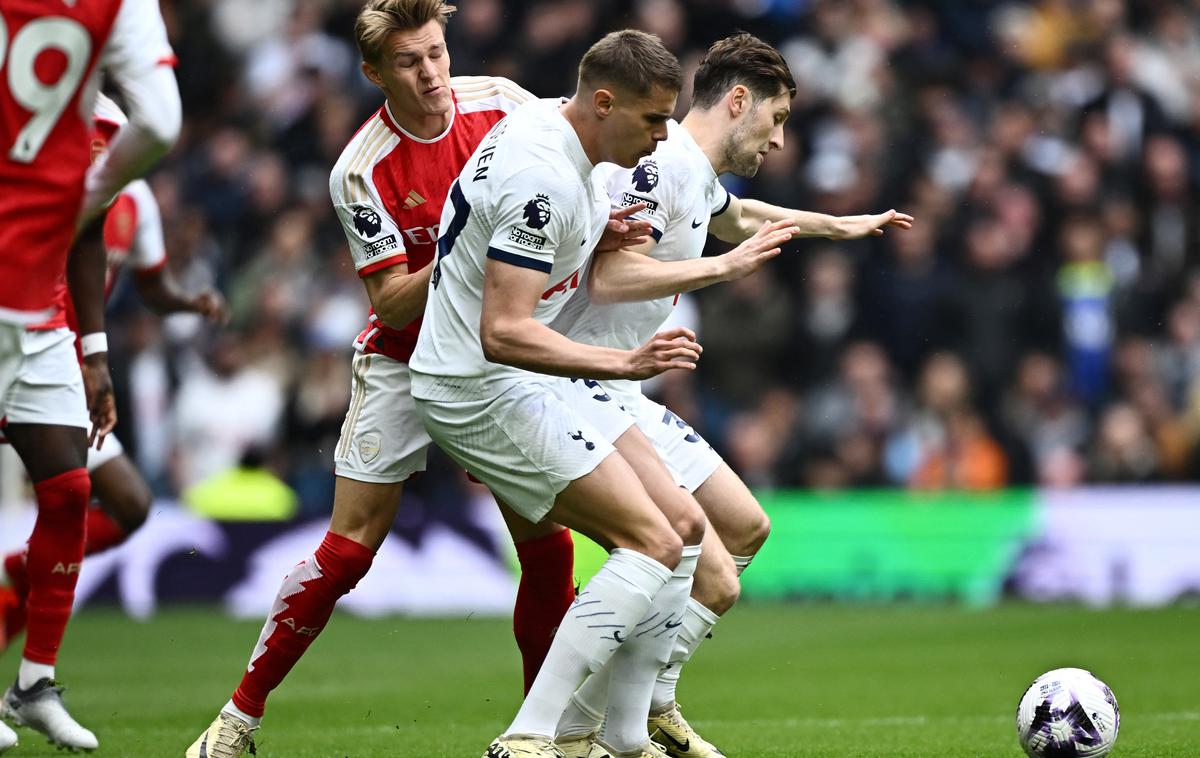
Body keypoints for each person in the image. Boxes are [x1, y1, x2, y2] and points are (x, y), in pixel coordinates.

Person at [185, 3, 627, 755]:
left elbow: (572, 182)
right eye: (409, 62)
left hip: (495, 354)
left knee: (547, 545)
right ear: (374, 73)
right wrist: (475, 238)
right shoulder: (359, 169)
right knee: (350, 549)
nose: (431, 73)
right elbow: (389, 296)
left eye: (436, 53)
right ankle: (237, 718)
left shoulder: (508, 108)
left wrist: (594, 226)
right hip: (403, 357)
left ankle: (537, 735)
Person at [407, 28, 769, 758]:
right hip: (476, 388)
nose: (665, 136)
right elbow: (503, 332)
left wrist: (600, 231)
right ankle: (536, 736)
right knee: (654, 542)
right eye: (652, 120)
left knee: (682, 534)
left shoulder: (551, 131)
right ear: (603, 103)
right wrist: (626, 362)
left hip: (525, 377)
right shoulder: (541, 174)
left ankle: (615, 734)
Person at [551, 33, 913, 757]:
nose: (779, 141)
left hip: (621, 387)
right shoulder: (657, 169)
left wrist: (833, 226)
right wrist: (721, 273)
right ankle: (599, 729)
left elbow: (737, 217)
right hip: (574, 382)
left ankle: (635, 711)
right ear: (738, 101)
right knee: (705, 570)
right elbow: (610, 278)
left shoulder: (696, 173)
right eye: (775, 120)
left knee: (746, 530)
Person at [0, 0, 181, 751]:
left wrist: (95, 354)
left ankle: (34, 683)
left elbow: (86, 225)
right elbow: (162, 126)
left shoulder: (97, 122)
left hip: (42, 328)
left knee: (74, 491)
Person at [0, 95, 227, 661]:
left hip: (66, 369)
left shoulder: (137, 201)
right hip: (21, 345)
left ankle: (18, 581)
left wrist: (187, 303)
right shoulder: (40, 171)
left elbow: (151, 287)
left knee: (128, 503)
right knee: (72, 501)